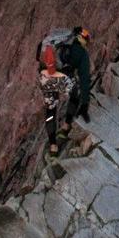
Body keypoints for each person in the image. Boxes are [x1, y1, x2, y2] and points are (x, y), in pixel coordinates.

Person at [37, 27, 92, 156]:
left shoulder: (58, 38)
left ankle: (53, 146)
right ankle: (66, 127)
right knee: (75, 94)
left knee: (51, 109)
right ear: (81, 38)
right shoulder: (76, 48)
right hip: (58, 75)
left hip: (45, 75)